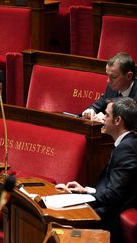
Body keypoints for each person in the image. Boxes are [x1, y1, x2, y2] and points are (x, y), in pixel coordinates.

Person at [57, 97, 137, 242]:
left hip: (111, 222)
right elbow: (114, 187)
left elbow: (113, 195)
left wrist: (77, 198)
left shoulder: (127, 148)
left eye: (106, 115)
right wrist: (85, 190)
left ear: (118, 120)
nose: (101, 118)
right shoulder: (127, 144)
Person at [82, 52, 137, 122]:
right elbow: (99, 104)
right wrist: (91, 111)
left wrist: (107, 120)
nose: (108, 81)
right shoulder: (112, 88)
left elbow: (132, 124)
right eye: (107, 75)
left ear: (129, 76)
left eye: (113, 77)